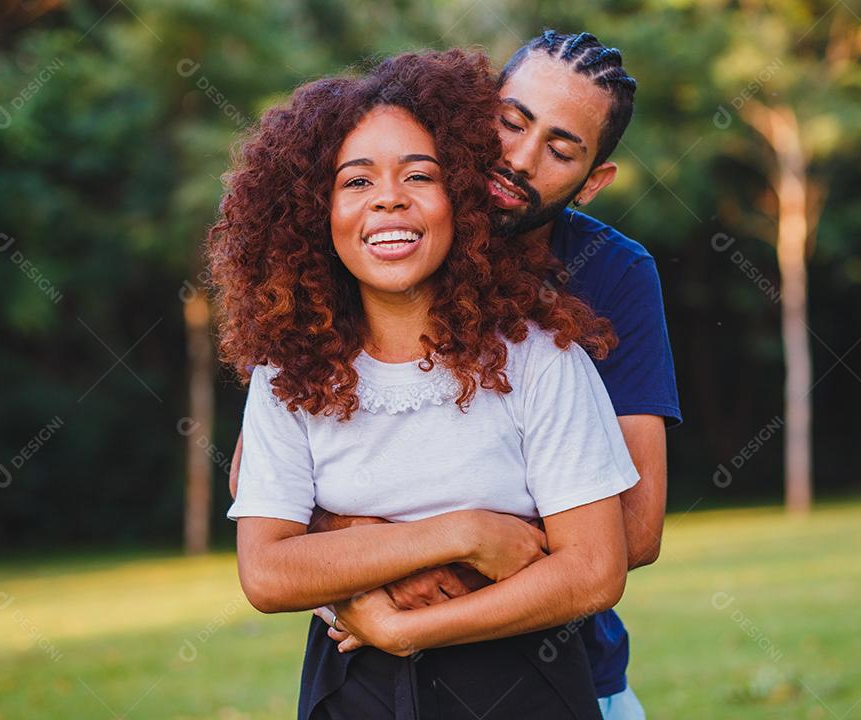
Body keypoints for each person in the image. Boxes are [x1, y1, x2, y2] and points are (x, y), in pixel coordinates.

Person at [230, 31, 682, 720]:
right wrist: (404, 550)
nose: (520, 159)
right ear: (471, 120)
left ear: (593, 182)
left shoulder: (590, 299)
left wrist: (417, 592)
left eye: (561, 150)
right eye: (511, 123)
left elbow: (631, 535)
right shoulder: (322, 328)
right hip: (366, 672)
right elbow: (258, 494)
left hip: (551, 666)